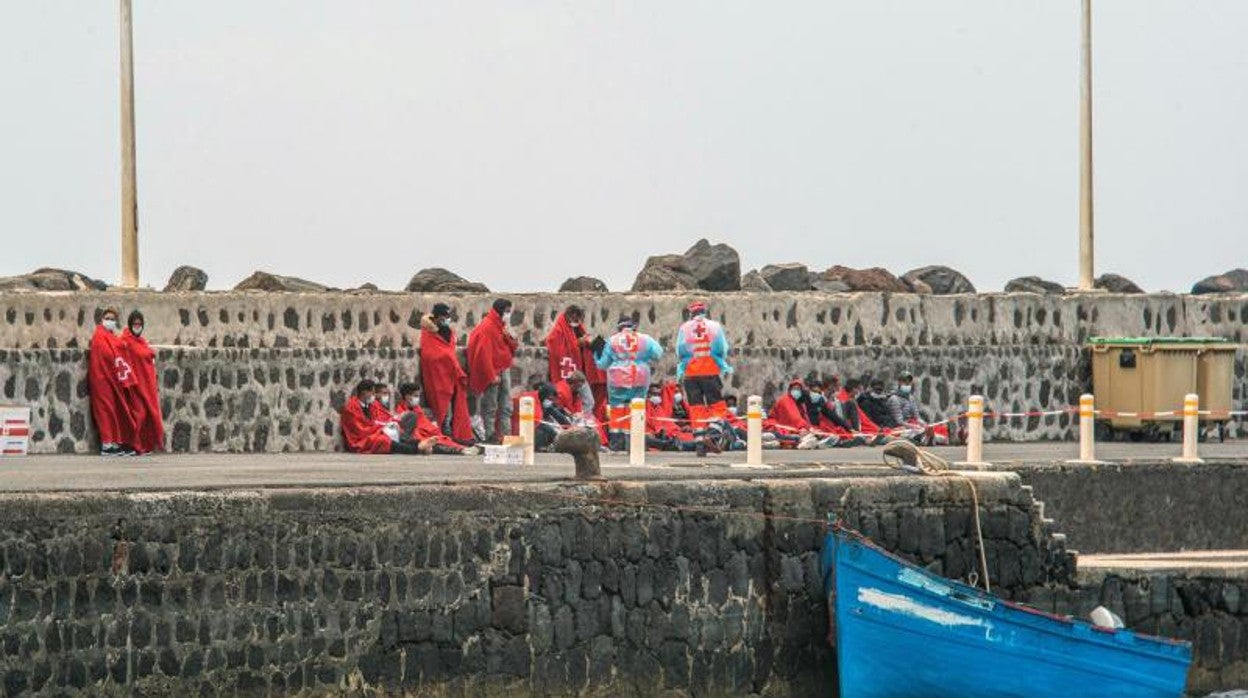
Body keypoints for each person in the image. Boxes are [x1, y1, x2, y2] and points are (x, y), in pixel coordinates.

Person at [594, 316, 663, 451]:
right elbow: (658, 354)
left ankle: (616, 444)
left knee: (618, 410)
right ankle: (633, 444)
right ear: (633, 327)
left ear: (619, 328)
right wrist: (643, 358)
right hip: (640, 378)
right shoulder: (645, 339)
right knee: (635, 408)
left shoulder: (612, 340)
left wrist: (595, 353)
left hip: (618, 380)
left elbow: (602, 365)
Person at [675, 301, 732, 455]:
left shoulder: (684, 328)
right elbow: (721, 348)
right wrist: (720, 362)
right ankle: (712, 435)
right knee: (717, 406)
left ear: (691, 313)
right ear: (704, 312)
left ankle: (700, 444)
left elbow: (680, 350)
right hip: (710, 371)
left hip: (690, 373)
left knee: (696, 408)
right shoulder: (714, 326)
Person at [419, 303, 474, 444]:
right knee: (441, 402)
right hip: (438, 373)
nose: (447, 319)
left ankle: (457, 432)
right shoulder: (428, 332)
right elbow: (430, 353)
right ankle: (443, 431)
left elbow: (449, 349)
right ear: (436, 317)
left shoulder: (448, 331)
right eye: (444, 316)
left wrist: (450, 361)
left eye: (448, 316)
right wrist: (447, 359)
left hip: (452, 372)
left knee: (458, 404)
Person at [88, 307, 138, 456]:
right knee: (104, 410)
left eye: (112, 319)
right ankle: (106, 443)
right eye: (107, 318)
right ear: (102, 319)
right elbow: (105, 354)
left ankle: (114, 442)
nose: (109, 321)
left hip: (111, 379)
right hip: (101, 379)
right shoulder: (99, 335)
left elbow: (119, 349)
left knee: (113, 410)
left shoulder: (110, 336)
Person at [468, 298, 519, 443]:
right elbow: (483, 354)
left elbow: (510, 346)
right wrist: (491, 375)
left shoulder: (500, 326)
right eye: (507, 312)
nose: (509, 315)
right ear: (500, 311)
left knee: (506, 406)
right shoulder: (488, 327)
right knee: (490, 406)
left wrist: (510, 337)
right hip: (494, 372)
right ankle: (490, 435)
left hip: (503, 368)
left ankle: (505, 435)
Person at [544, 305, 607, 420]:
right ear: (568, 316)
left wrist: (588, 342)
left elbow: (582, 344)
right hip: (567, 375)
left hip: (580, 373)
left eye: (578, 318)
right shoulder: (558, 329)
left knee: (589, 401)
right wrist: (577, 343)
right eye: (574, 317)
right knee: (565, 404)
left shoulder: (578, 328)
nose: (576, 321)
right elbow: (552, 342)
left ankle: (583, 422)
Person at [341, 379, 426, 454]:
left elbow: (375, 420)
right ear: (364, 393)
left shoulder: (370, 405)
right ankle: (415, 449)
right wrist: (380, 427)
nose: (374, 396)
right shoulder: (351, 407)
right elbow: (359, 429)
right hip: (359, 440)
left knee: (391, 432)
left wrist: (386, 424)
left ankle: (418, 444)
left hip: (370, 433)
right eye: (373, 393)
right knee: (383, 440)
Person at [120, 309, 164, 453]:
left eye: (140, 324)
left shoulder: (141, 341)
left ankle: (144, 445)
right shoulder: (126, 341)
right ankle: (133, 445)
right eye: (135, 323)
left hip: (146, 384)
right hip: (134, 385)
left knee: (148, 414)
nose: (137, 326)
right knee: (139, 414)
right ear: (130, 324)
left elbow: (145, 353)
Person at [394, 382, 478, 455]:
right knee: (437, 443)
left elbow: (425, 424)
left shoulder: (416, 408)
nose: (418, 398)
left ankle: (464, 447)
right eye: (416, 396)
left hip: (428, 433)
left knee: (447, 439)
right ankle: (460, 450)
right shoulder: (401, 411)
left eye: (419, 396)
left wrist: (433, 431)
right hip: (419, 437)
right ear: (407, 396)